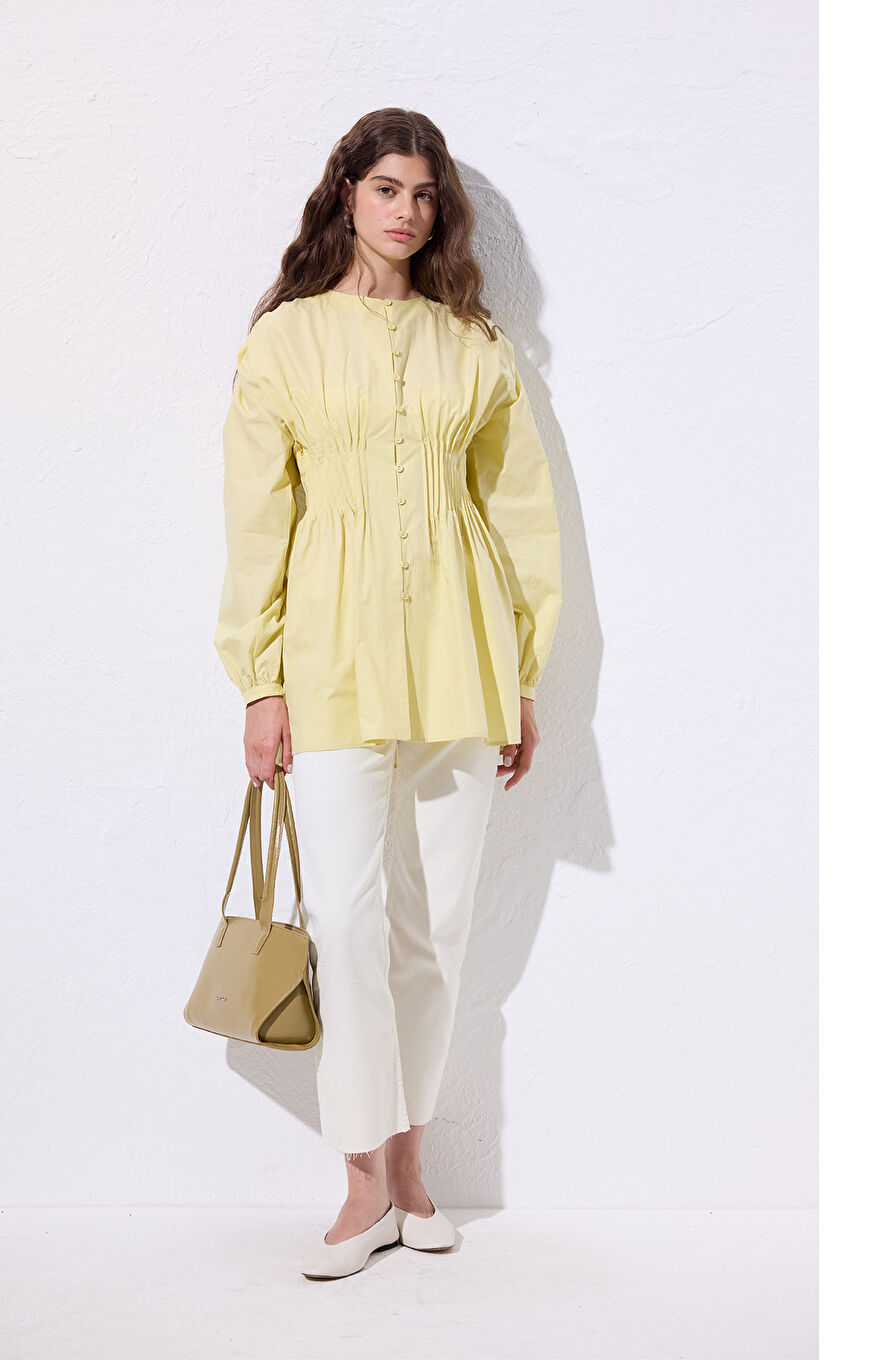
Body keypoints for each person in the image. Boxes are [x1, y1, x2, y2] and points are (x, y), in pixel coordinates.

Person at [213, 108, 563, 1279]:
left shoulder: (475, 346)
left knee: (437, 926)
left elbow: (523, 520)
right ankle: (362, 1178)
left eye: (424, 193)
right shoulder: (286, 341)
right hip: (331, 657)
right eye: (386, 189)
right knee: (351, 922)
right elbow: (258, 525)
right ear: (346, 196)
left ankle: (412, 1167)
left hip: (461, 654)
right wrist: (261, 681)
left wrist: (522, 676)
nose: (407, 211)